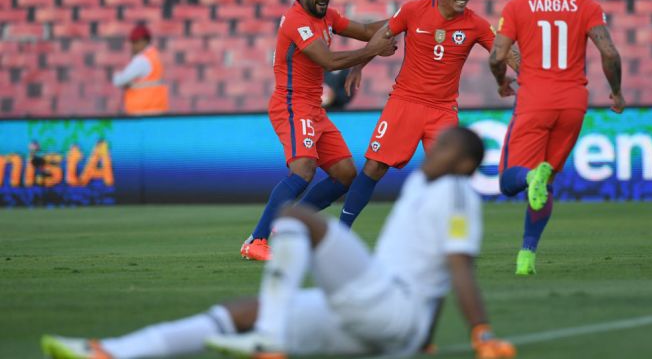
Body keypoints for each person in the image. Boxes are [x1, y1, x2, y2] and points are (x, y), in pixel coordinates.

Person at [41, 126, 517, 359]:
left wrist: (481, 333)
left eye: (447, 149)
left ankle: (268, 337)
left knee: (296, 218)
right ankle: (114, 352)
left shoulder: (456, 195)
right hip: (380, 317)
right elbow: (431, 271)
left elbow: (458, 268)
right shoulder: (424, 185)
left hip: (391, 305)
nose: (434, 151)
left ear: (465, 165)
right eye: (438, 145)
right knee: (239, 310)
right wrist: (422, 342)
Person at [337, 0, 519, 228]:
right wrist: (358, 65)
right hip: (405, 101)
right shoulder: (413, 10)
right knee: (375, 167)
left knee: (452, 178)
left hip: (443, 110)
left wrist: (531, 73)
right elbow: (382, 35)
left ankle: (449, 240)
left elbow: (507, 53)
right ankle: (342, 230)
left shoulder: (476, 24)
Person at [239, 0, 396, 261]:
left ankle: (288, 224)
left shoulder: (327, 17)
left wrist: (406, 19)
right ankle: (257, 239)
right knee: (303, 171)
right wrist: (372, 50)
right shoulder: (297, 21)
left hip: (314, 109)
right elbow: (329, 60)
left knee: (345, 174)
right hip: (292, 104)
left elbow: (364, 30)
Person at [489, 0, 624, 276]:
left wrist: (501, 81)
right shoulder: (587, 5)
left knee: (509, 181)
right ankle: (527, 255)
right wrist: (617, 92)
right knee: (544, 183)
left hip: (535, 100)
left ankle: (531, 178)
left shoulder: (518, 6)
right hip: (573, 104)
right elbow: (609, 53)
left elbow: (496, 56)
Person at [112, 24, 170, 116]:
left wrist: (116, 75)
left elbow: (119, 81)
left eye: (135, 42)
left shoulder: (142, 60)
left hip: (142, 112)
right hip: (156, 110)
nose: (132, 46)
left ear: (143, 41)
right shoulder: (154, 56)